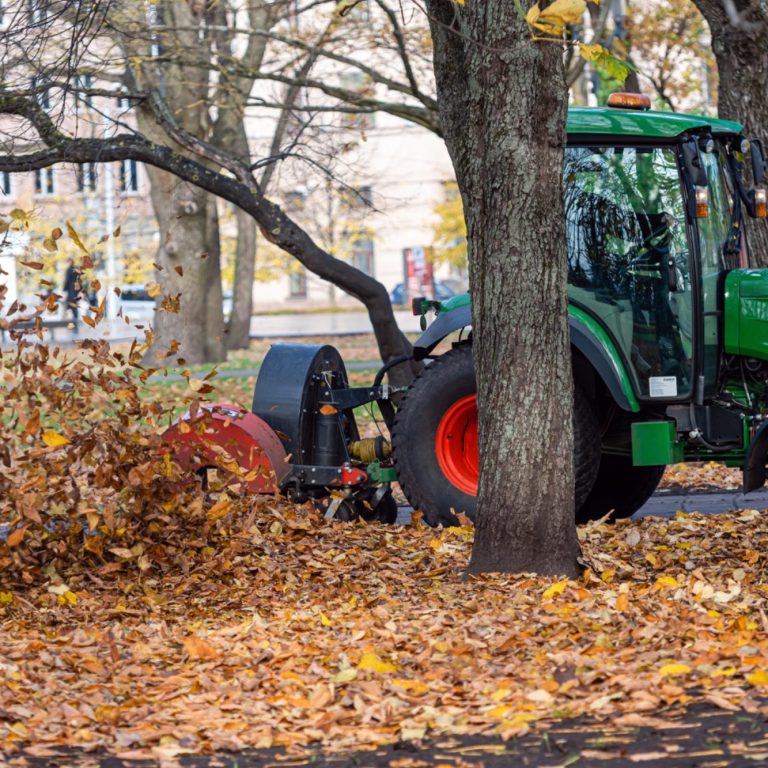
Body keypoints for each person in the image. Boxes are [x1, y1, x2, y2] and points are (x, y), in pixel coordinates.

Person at [63, 258, 82, 329]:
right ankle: (74, 323)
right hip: (75, 291)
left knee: (69, 306)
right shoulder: (76, 269)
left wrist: (64, 289)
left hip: (71, 290)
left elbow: (67, 280)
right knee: (73, 307)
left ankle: (72, 324)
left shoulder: (69, 270)